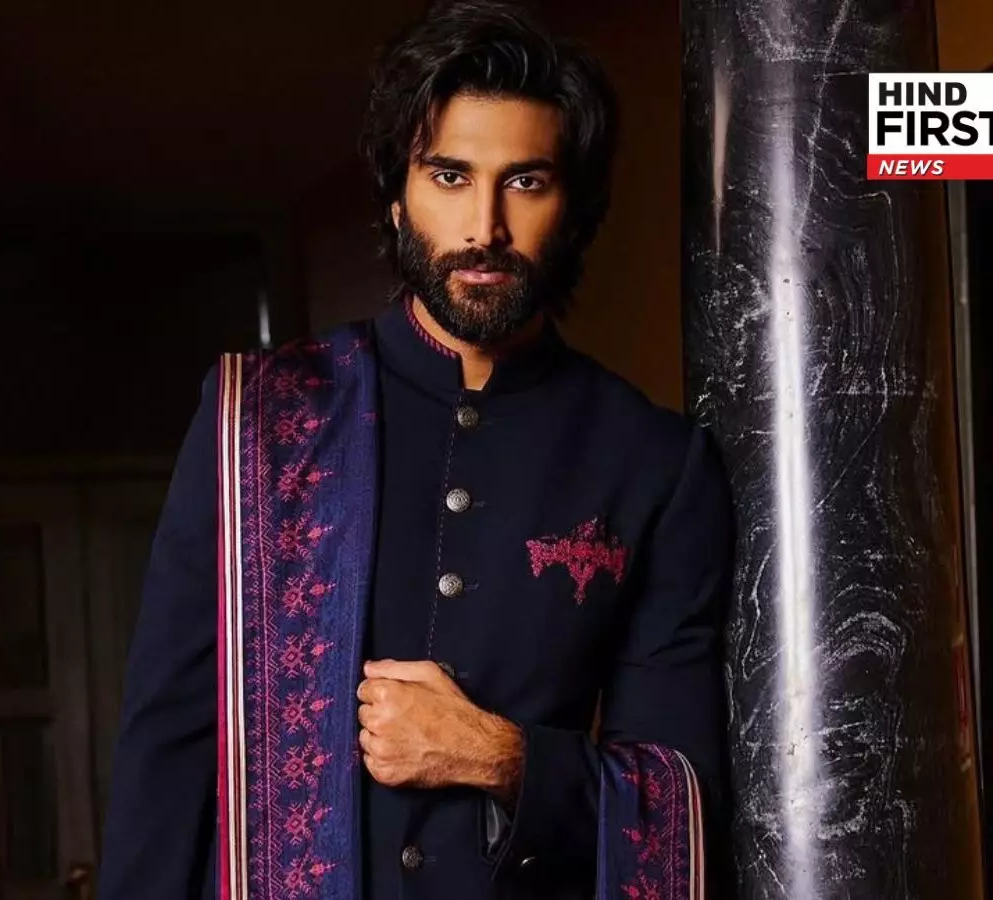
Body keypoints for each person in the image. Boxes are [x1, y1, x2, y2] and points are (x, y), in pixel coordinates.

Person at [97, 2, 733, 898]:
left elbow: (679, 815)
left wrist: (503, 758)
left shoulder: (654, 464)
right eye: (449, 176)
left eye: (525, 182)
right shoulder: (261, 418)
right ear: (398, 196)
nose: (484, 227)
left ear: (575, 208)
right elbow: (167, 753)